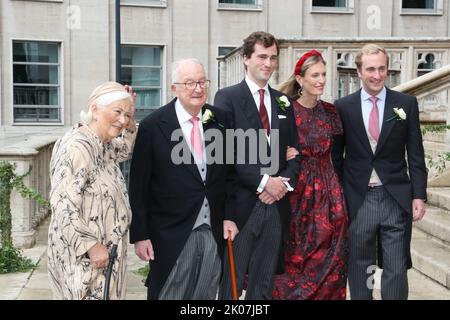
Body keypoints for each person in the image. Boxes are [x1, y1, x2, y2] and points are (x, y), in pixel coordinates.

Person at [129, 58, 236, 300]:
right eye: (189, 83)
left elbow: (229, 175)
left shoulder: (221, 120)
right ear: (174, 88)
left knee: (206, 294)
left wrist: (230, 216)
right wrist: (140, 235)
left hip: (213, 229)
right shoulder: (153, 126)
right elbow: (139, 186)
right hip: (171, 232)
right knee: (170, 294)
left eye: (202, 82)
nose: (198, 89)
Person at [332, 44, 427, 300]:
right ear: (359, 71)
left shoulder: (405, 103)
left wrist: (419, 195)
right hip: (358, 199)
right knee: (360, 266)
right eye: (371, 69)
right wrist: (341, 196)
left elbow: (416, 153)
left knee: (396, 268)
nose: (377, 75)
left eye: (382, 68)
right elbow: (336, 158)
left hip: (395, 197)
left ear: (388, 69)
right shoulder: (343, 107)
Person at [214, 31, 300, 300]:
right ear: (246, 59)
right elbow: (226, 154)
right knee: (232, 282)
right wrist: (265, 182)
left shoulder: (282, 100)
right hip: (242, 207)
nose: (268, 63)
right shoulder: (226, 98)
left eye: (273, 57)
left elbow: (295, 155)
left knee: (263, 284)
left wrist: (281, 184)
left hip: (276, 206)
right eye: (262, 56)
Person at [47, 81, 137, 300]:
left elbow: (126, 147)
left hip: (105, 258)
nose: (123, 120)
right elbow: (62, 204)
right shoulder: (77, 146)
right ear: (95, 109)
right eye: (117, 112)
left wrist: (129, 112)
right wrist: (92, 246)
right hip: (85, 260)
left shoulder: (103, 143)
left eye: (127, 115)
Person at [272, 50, 348, 300]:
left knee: (332, 256)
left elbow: (338, 156)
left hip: (329, 193)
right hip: (296, 192)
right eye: (315, 75)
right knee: (295, 256)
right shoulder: (286, 110)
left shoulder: (331, 111)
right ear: (300, 79)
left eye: (324, 74)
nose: (321, 80)